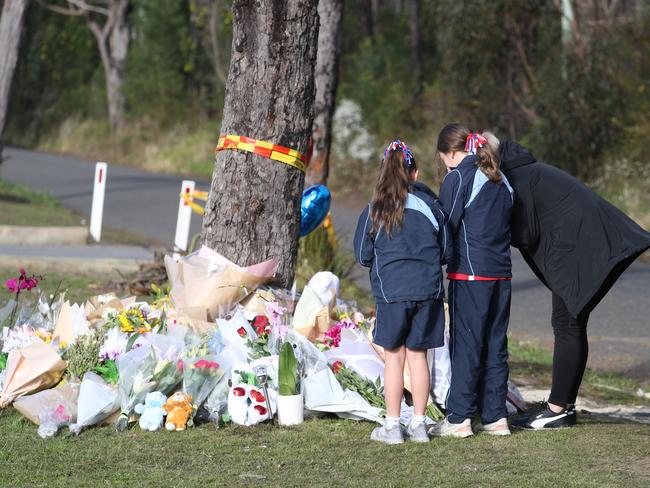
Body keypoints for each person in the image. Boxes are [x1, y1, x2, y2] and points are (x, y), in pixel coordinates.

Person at [484, 133, 650, 429]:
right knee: (571, 322)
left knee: (567, 323)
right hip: (587, 242)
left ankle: (558, 409)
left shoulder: (517, 180)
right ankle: (562, 405)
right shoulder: (522, 169)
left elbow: (526, 233)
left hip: (585, 246)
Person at [353, 139, 447, 444]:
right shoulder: (432, 207)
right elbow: (447, 251)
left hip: (391, 293)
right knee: (418, 357)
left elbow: (363, 255)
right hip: (427, 292)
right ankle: (419, 425)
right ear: (415, 173)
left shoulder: (374, 210)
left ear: (383, 172)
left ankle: (392, 427)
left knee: (394, 359)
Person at [430, 124, 514, 438]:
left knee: (467, 345)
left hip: (470, 274)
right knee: (496, 345)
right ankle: (495, 417)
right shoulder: (501, 179)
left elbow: (445, 226)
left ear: (449, 153)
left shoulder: (458, 177)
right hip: (501, 274)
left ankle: (459, 418)